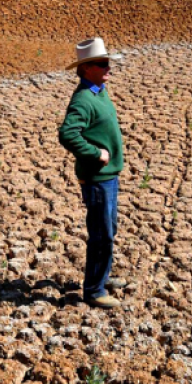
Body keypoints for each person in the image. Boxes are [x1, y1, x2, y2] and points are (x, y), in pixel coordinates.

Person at [57, 37, 126, 308]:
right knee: (101, 235)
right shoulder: (84, 99)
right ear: (86, 68)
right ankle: (94, 291)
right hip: (98, 178)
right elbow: (68, 134)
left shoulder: (99, 90)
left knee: (110, 229)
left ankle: (102, 275)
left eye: (108, 62)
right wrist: (96, 154)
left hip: (109, 176)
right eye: (102, 63)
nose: (108, 67)